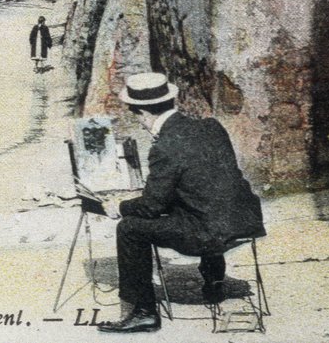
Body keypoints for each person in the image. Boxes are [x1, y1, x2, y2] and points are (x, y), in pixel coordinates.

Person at [99, 73, 265, 334]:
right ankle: (215, 282)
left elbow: (151, 207)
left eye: (137, 117)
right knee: (202, 201)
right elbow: (208, 184)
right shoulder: (212, 126)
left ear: (143, 112)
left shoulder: (165, 146)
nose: (140, 124)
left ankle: (143, 312)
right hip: (245, 222)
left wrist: (119, 206)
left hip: (210, 235)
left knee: (129, 229)